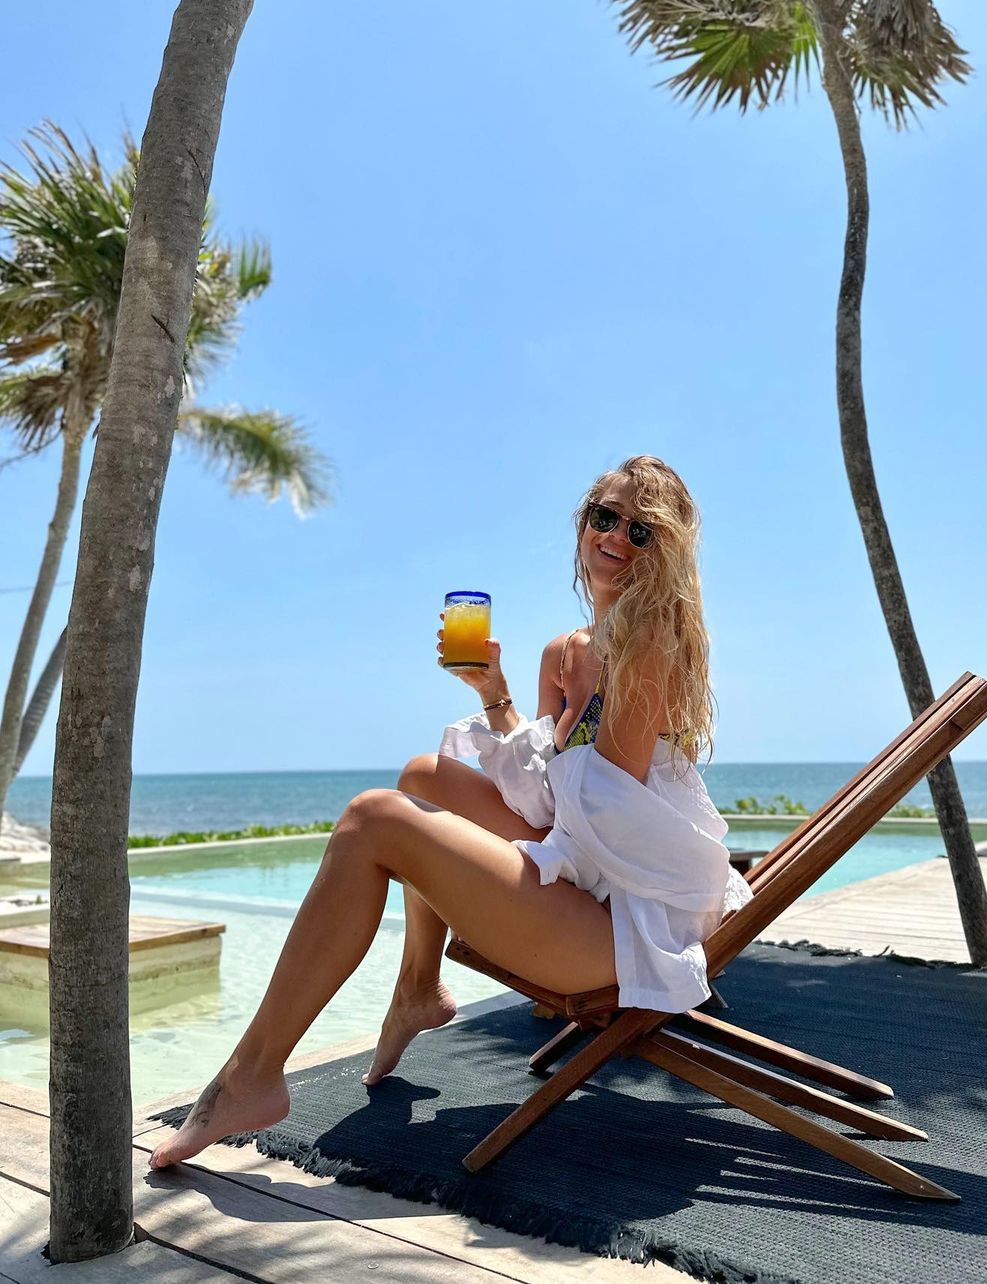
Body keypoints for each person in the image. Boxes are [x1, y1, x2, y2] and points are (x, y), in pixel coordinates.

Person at [150, 455, 750, 1170]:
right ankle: (416, 988)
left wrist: (523, 808)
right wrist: (494, 695)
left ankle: (251, 1077)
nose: (616, 536)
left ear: (664, 551)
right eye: (605, 516)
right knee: (422, 777)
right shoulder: (568, 651)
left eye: (641, 530)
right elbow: (554, 797)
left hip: (627, 919)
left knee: (376, 818)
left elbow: (610, 813)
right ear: (583, 521)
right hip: (594, 863)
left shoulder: (647, 644)